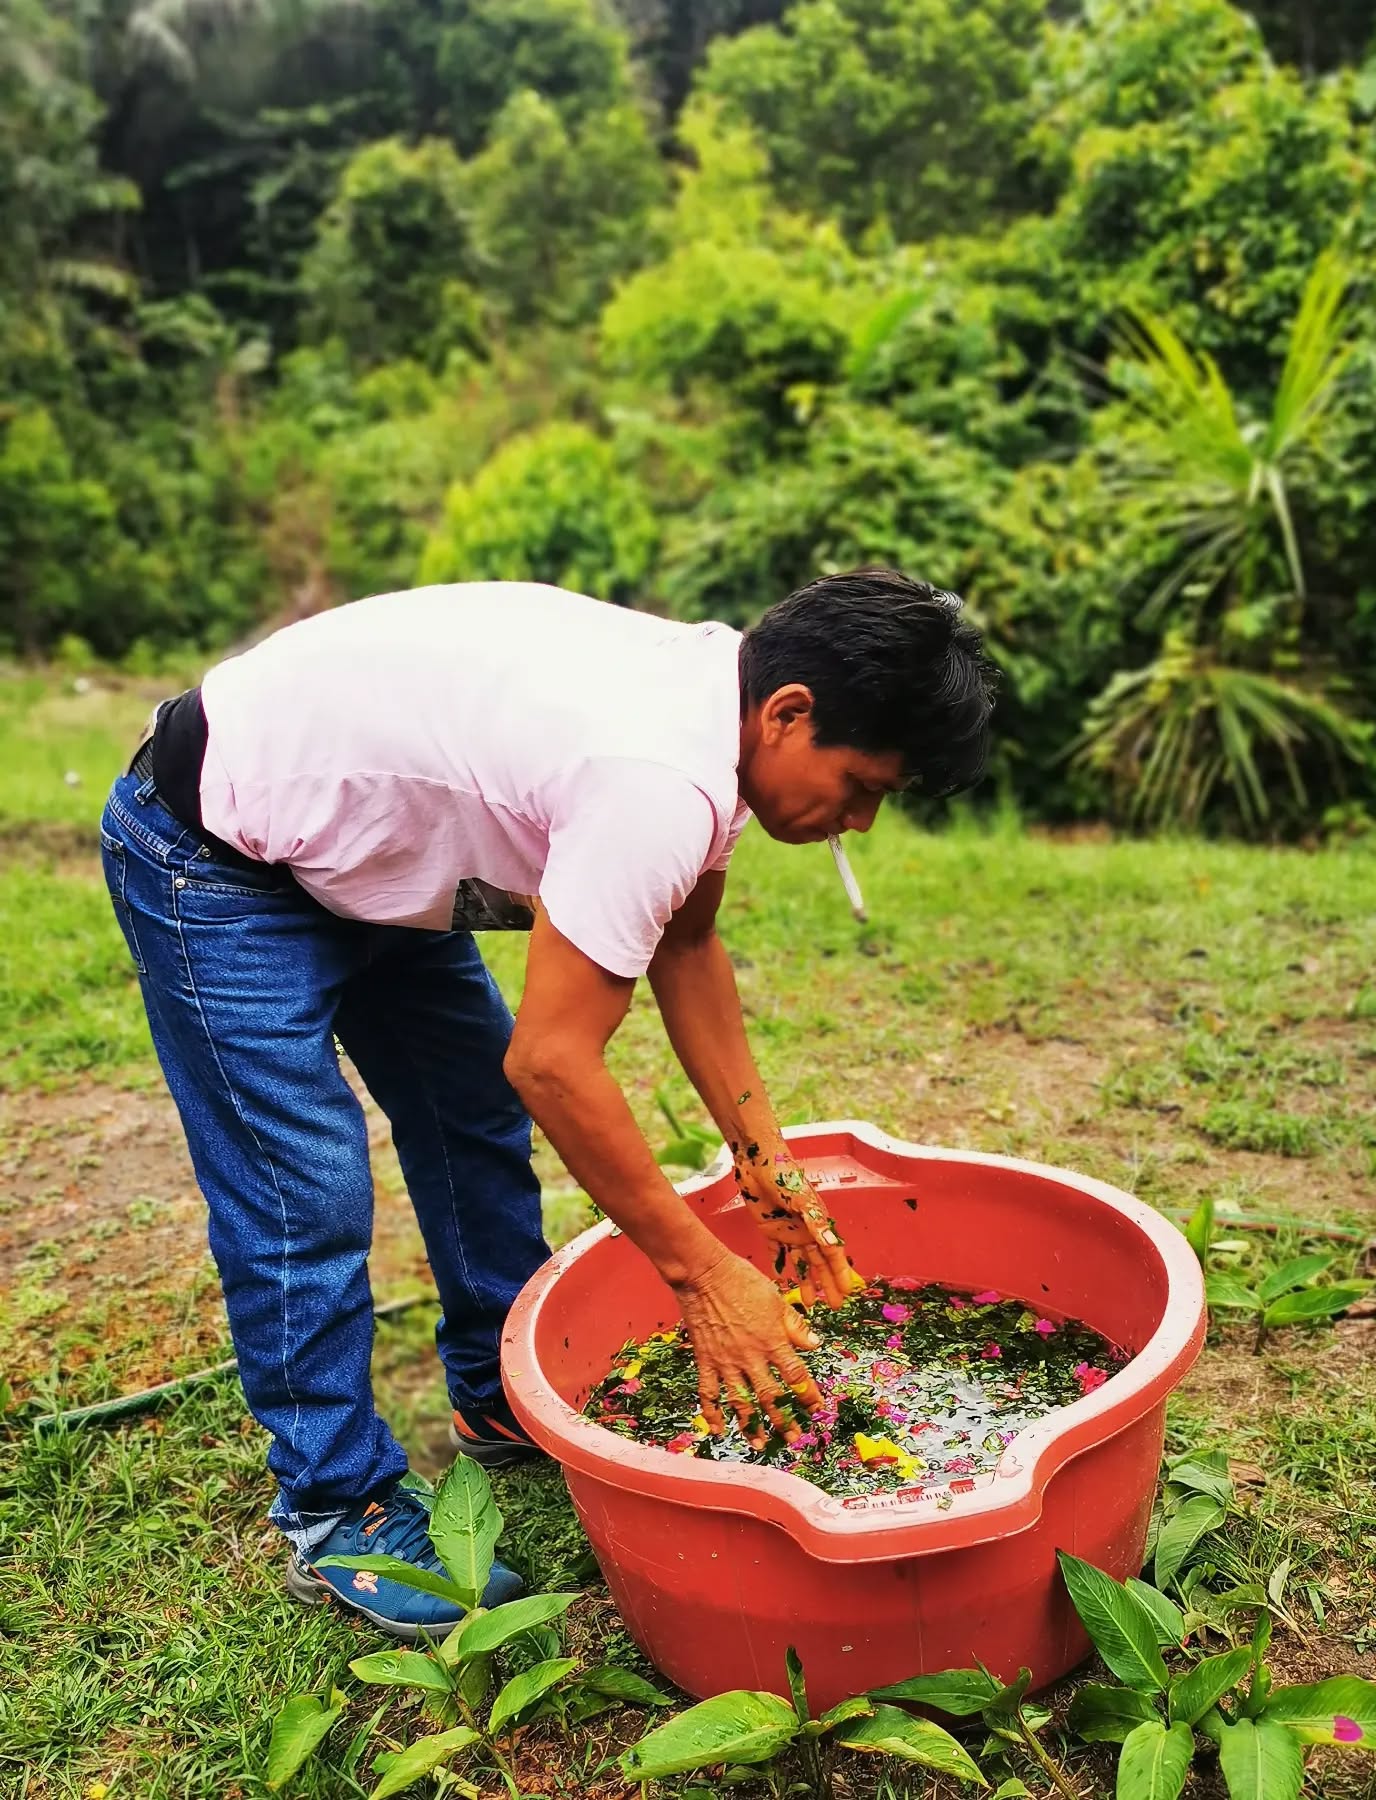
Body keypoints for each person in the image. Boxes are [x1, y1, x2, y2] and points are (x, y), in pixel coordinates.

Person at [99, 567, 995, 1641]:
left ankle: (494, 1393)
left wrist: (770, 1173)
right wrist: (706, 1275)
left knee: (471, 1112)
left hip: (363, 851)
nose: (861, 819)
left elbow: (688, 945)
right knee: (304, 1190)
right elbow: (557, 1064)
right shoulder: (658, 774)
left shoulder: (719, 711)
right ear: (789, 713)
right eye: (860, 786)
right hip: (214, 849)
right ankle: (335, 1507)